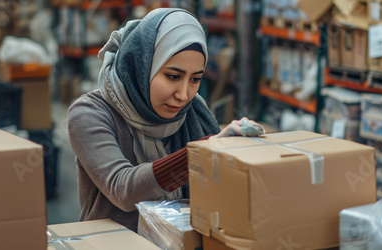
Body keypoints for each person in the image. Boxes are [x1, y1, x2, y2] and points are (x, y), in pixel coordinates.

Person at [67, 8, 260, 232]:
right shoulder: (89, 113)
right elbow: (123, 190)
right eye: (173, 76)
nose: (184, 94)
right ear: (142, 66)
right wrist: (201, 153)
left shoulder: (194, 110)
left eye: (195, 79)